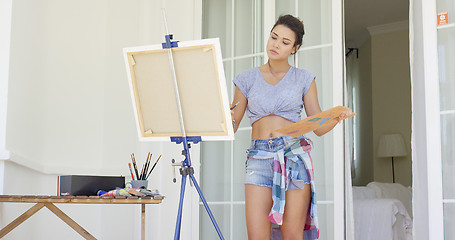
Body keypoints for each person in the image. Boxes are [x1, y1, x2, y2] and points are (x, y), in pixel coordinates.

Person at [230, 14, 352, 240]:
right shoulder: (246, 79)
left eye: (285, 42)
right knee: (257, 236)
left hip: (294, 157)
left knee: (292, 234)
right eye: (274, 37)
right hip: (259, 158)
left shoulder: (304, 78)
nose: (276, 44)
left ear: (295, 48)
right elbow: (233, 124)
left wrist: (336, 117)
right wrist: (219, 113)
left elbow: (317, 125)